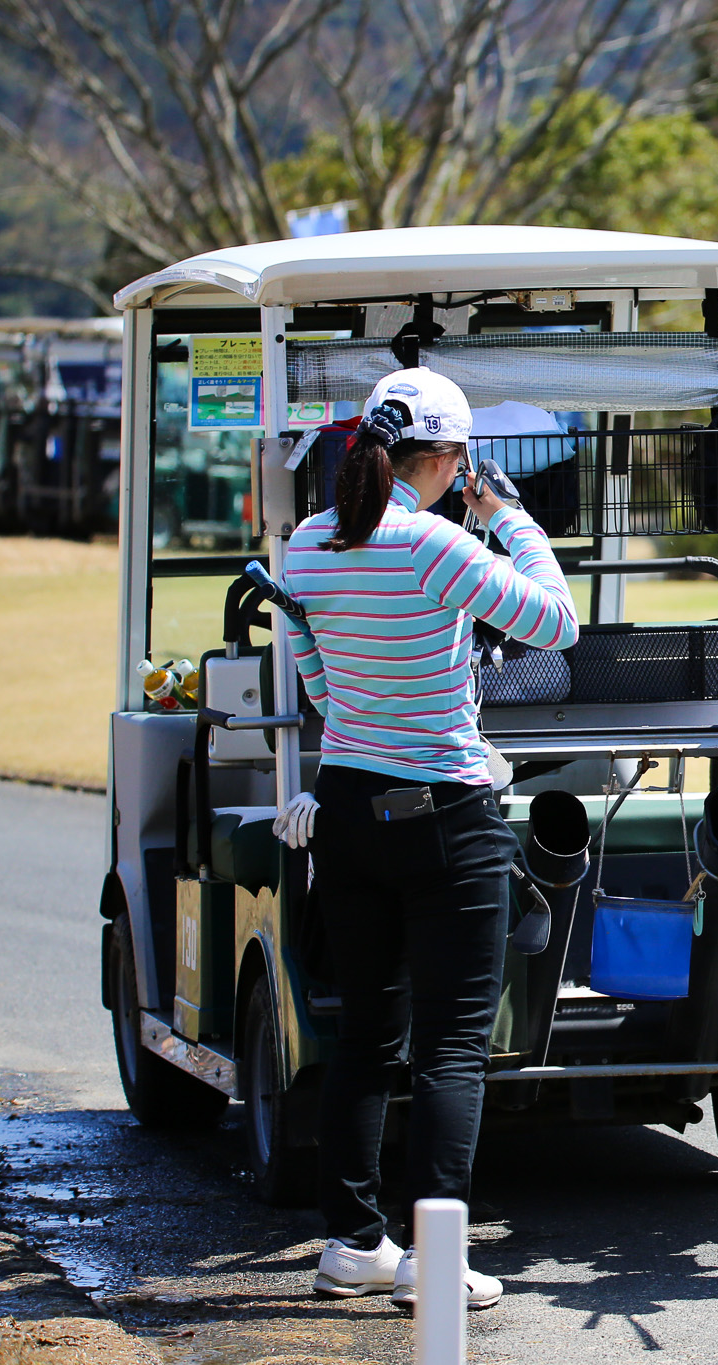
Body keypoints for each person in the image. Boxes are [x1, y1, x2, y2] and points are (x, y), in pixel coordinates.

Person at [276, 368, 578, 1310]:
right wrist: (512, 515)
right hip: (446, 811)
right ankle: (434, 1260)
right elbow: (556, 622)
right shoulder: (434, 543)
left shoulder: (306, 543)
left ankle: (352, 1244)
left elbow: (316, 677)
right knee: (450, 1045)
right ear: (447, 458)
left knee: (366, 1035)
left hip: (349, 808)